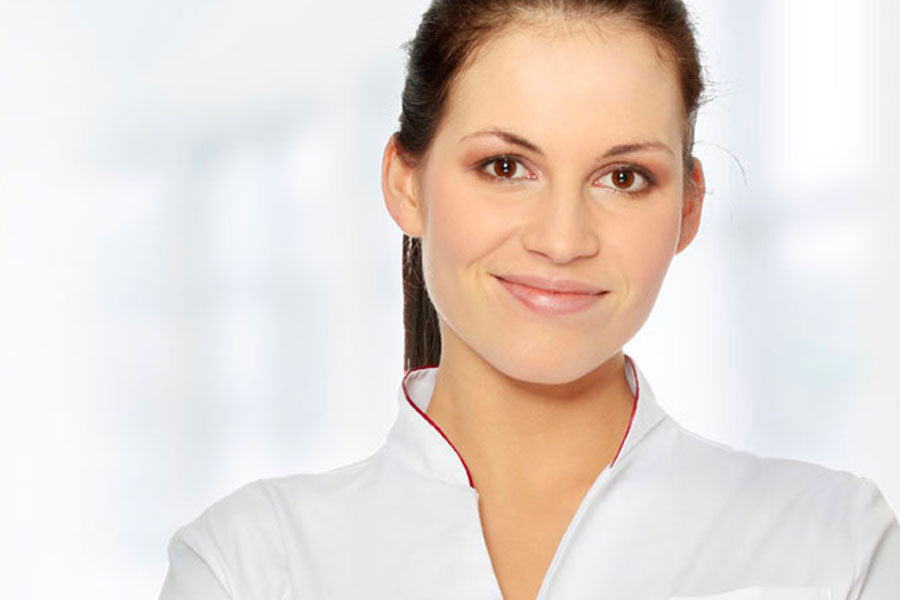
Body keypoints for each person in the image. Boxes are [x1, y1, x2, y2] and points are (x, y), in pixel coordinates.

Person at [159, 1, 900, 598]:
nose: (563, 238)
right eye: (506, 165)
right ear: (406, 182)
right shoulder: (249, 565)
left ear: (688, 207)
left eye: (623, 177)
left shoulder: (838, 548)